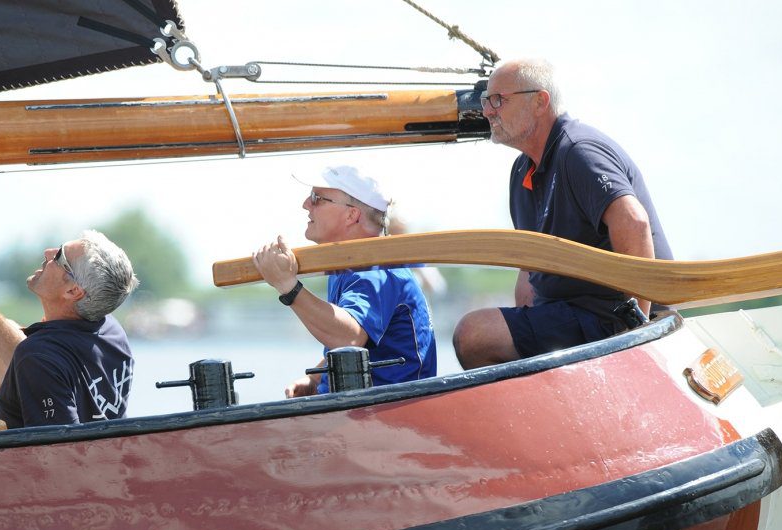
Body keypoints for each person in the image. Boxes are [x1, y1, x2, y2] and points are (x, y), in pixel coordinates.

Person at [453, 58, 674, 370]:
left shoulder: (579, 151)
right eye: (486, 101)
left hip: (608, 317)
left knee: (474, 335)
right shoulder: (522, 171)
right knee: (482, 335)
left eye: (498, 100)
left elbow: (634, 223)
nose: (488, 110)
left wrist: (635, 330)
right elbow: (529, 270)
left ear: (540, 102)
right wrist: (526, 334)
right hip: (570, 316)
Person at [253, 165, 437, 397]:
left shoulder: (374, 269)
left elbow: (348, 337)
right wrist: (316, 377)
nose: (305, 205)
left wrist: (287, 286)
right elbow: (361, 340)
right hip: (368, 411)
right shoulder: (353, 265)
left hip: (381, 414)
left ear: (352, 215)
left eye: (316, 198)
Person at [0, 230, 137, 428]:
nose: (48, 252)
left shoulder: (38, 356)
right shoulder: (112, 330)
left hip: (23, 456)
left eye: (60, 256)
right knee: (8, 328)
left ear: (73, 291)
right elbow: (49, 365)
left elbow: (58, 452)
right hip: (108, 454)